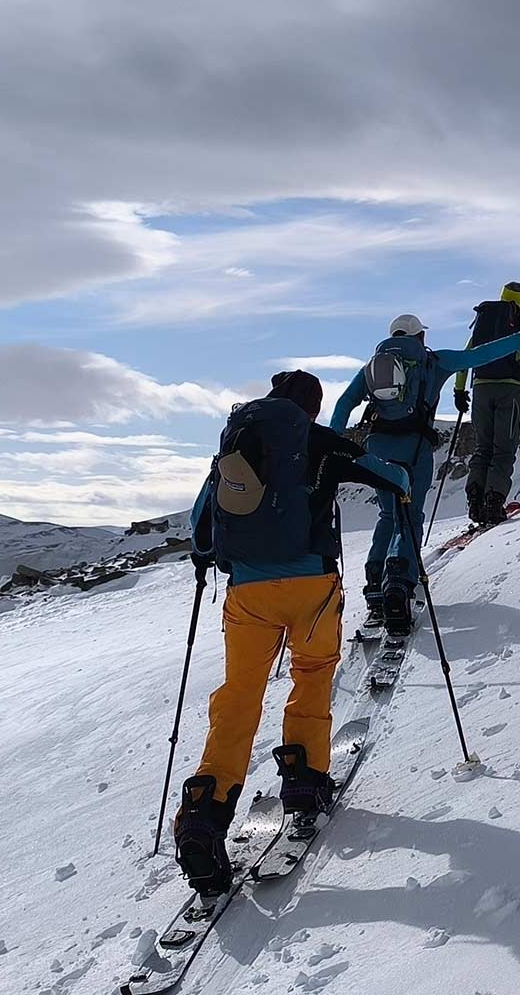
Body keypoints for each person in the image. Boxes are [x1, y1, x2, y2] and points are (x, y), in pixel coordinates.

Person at [174, 370, 411, 896]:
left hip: (247, 593)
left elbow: (199, 524)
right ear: (313, 407)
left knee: (240, 695)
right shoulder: (319, 439)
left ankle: (205, 815)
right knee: (312, 672)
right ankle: (304, 781)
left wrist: (211, 557)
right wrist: (403, 487)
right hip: (312, 586)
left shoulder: (238, 441)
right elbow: (389, 477)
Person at [330, 311, 520, 634]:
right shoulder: (434, 361)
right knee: (409, 516)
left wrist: (334, 442)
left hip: (378, 446)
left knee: (388, 515)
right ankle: (398, 586)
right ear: (420, 336)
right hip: (414, 448)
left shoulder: (373, 367)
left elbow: (345, 402)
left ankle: (375, 585)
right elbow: (480, 355)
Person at [452, 282, 520, 526]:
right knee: (503, 449)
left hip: (480, 388)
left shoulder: (484, 321)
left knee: (483, 448)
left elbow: (466, 358)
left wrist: (459, 391)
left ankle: (475, 500)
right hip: (509, 390)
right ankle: (494, 502)